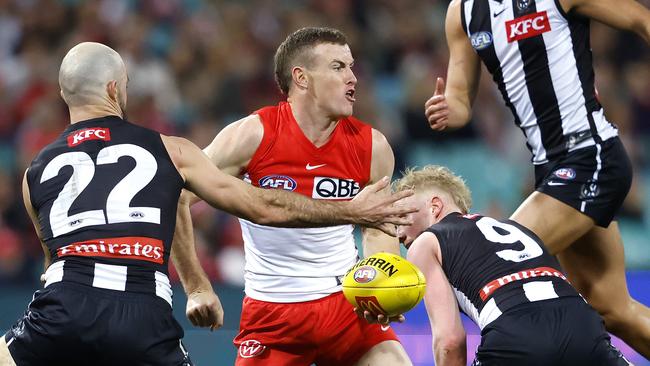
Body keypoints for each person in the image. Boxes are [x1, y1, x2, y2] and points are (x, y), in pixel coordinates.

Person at [0, 42, 416, 366]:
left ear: (61, 93)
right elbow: (263, 206)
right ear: (115, 89)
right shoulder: (172, 151)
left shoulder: (33, 171)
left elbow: (50, 267)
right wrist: (351, 211)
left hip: (64, 301)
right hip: (149, 308)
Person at [424, 0, 650, 356]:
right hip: (552, 170)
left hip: (591, 154)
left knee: (495, 263)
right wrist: (449, 110)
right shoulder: (463, 12)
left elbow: (640, 18)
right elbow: (460, 99)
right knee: (612, 309)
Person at [175, 27, 413, 365]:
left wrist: (380, 285)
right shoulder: (253, 134)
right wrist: (196, 286)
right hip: (273, 317)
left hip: (346, 309)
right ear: (301, 78)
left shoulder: (372, 146)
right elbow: (177, 195)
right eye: (338, 67)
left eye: (352, 66)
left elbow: (377, 225)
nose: (353, 78)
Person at [382, 165, 629, 365]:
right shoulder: (519, 229)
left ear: (434, 207)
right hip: (582, 326)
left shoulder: (426, 242)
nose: (399, 234)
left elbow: (449, 341)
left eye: (401, 217)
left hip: (516, 335)